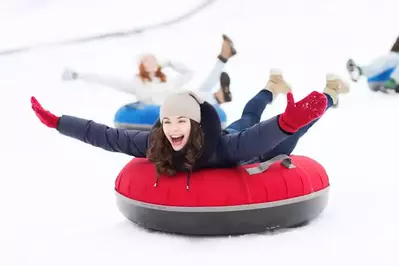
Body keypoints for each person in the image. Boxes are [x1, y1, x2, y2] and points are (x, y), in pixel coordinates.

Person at [30, 70, 349, 189]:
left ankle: (329, 93)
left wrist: (285, 123)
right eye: (167, 122)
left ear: (194, 124)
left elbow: (256, 140)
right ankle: (271, 85)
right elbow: (108, 136)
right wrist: (59, 122)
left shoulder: (224, 148)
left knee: (275, 124)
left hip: (254, 148)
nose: (172, 128)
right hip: (234, 136)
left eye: (180, 121)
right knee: (248, 116)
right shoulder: (157, 144)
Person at [61, 34, 236, 105]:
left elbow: (189, 73)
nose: (151, 61)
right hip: (169, 107)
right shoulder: (137, 84)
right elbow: (108, 79)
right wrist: (78, 75)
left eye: (153, 59)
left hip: (182, 98)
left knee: (202, 89)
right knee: (200, 93)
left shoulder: (166, 80)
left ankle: (224, 57)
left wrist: (167, 62)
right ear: (142, 66)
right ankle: (219, 95)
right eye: (147, 60)